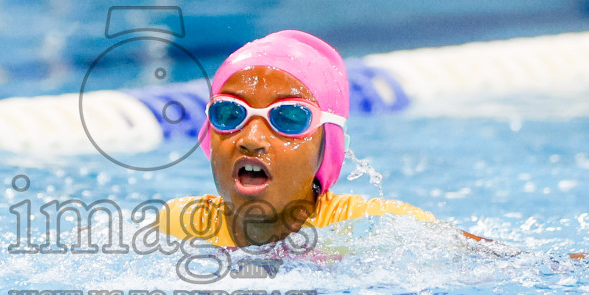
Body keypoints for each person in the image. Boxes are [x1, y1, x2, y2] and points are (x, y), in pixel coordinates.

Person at [155, 29, 463, 250]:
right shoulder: (182, 225)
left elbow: (504, 262)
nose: (251, 138)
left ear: (327, 143)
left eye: (288, 118)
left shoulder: (371, 227)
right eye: (229, 113)